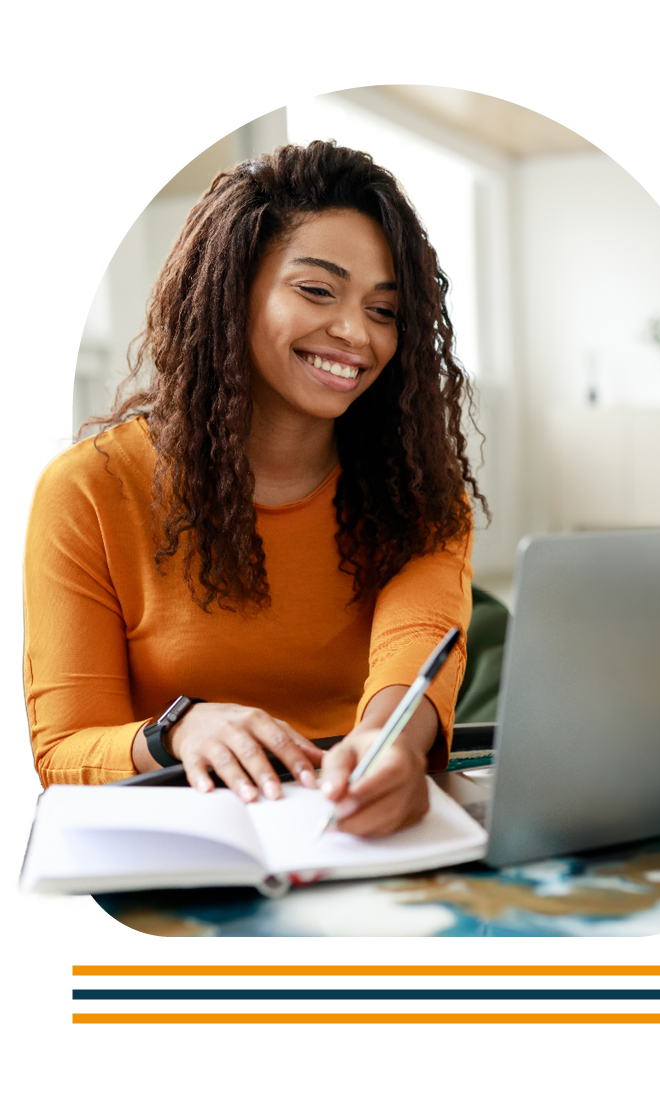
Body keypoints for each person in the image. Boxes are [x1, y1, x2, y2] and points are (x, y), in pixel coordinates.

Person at [22, 141, 486, 838]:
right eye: (317, 290)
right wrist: (176, 732)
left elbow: (414, 643)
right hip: (174, 838)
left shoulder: (418, 489)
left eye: (384, 310)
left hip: (356, 830)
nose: (355, 333)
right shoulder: (88, 489)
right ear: (231, 289)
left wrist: (392, 744)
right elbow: (63, 751)